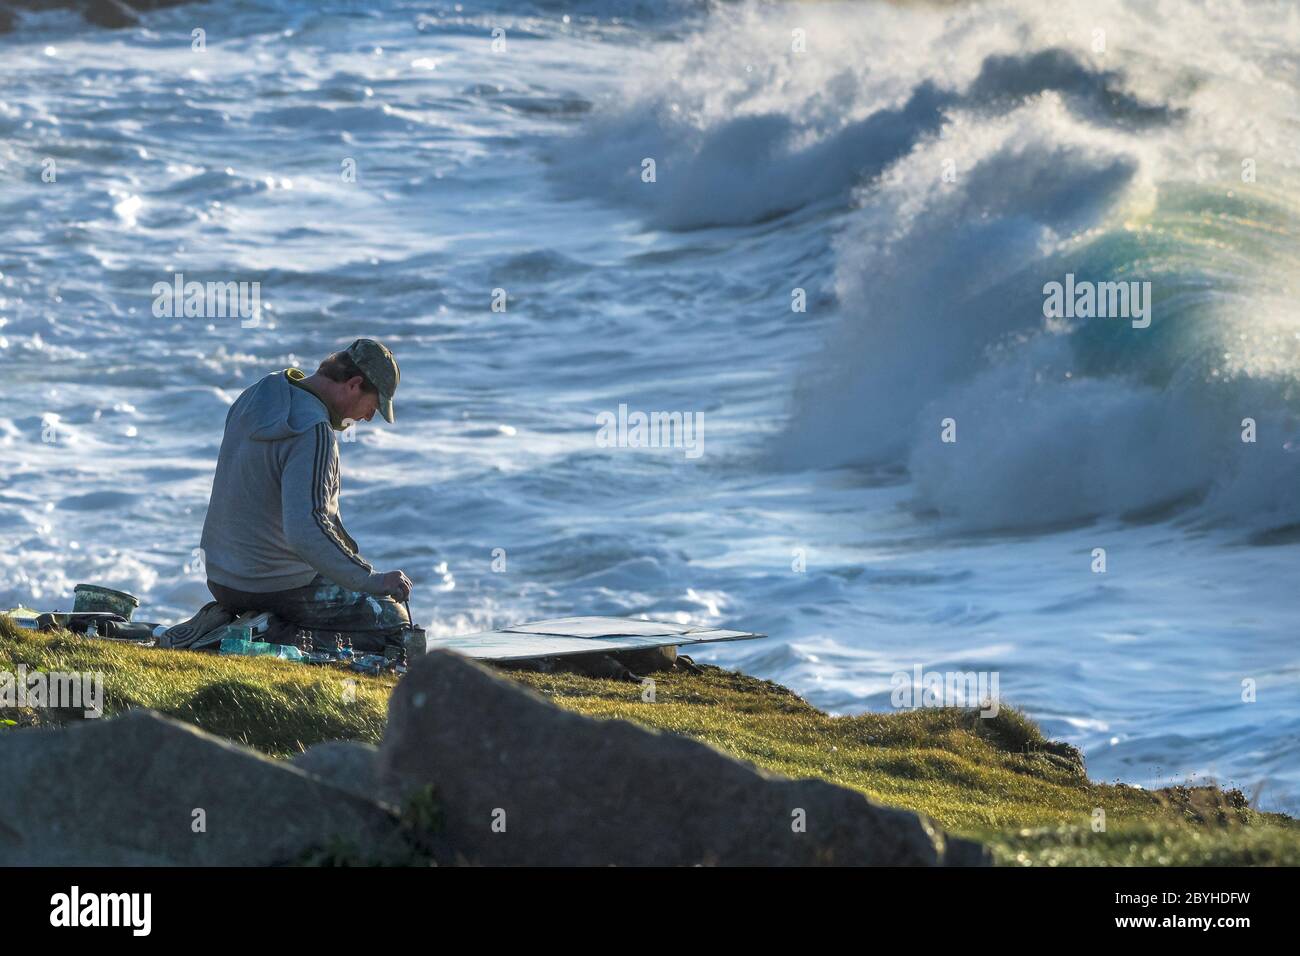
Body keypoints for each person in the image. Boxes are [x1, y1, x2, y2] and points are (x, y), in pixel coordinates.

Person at [165, 339, 412, 653]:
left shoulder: (256, 394)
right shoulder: (313, 431)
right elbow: (305, 532)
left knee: (350, 591)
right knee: (393, 625)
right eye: (373, 406)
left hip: (222, 577)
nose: (367, 419)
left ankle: (240, 621)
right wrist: (371, 580)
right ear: (353, 385)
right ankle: (254, 636)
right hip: (274, 585)